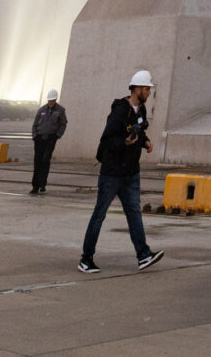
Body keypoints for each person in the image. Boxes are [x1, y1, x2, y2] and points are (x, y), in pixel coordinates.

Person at [78, 72, 164, 274]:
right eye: (147, 89)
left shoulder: (141, 110)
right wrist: (124, 142)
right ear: (137, 89)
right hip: (112, 173)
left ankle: (143, 255)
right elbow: (107, 140)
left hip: (131, 173)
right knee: (99, 215)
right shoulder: (119, 111)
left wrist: (145, 142)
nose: (149, 92)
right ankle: (86, 259)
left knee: (134, 213)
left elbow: (139, 131)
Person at [31, 91, 67, 195]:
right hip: (39, 139)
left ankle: (42, 184)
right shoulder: (41, 110)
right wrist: (34, 136)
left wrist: (57, 135)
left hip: (51, 139)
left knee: (45, 160)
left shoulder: (60, 110)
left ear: (55, 100)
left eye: (52, 100)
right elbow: (35, 124)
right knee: (37, 161)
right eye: (49, 100)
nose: (51, 102)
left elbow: (63, 124)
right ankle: (35, 186)